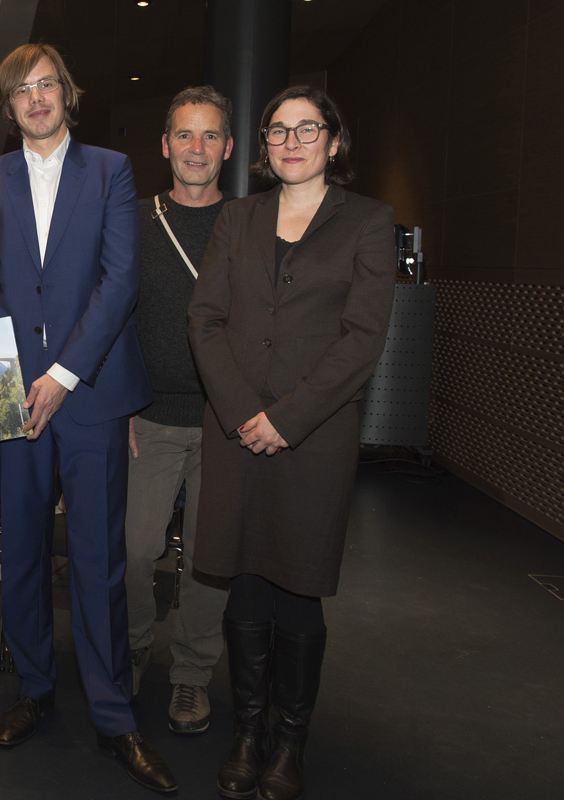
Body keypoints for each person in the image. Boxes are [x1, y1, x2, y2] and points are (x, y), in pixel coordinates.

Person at [0, 43, 174, 793]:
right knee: (18, 551)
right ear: (9, 106)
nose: (36, 99)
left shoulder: (110, 171)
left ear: (66, 95)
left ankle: (115, 714)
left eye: (47, 85)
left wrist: (62, 375)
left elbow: (119, 283)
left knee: (97, 558)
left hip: (91, 394)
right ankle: (33, 689)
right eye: (22, 90)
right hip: (9, 398)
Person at [187, 86, 395, 800]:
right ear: (265, 146)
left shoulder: (368, 221)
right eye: (278, 130)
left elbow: (364, 337)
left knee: (298, 590)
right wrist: (246, 410)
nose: (292, 141)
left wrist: (289, 417)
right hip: (236, 431)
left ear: (335, 142)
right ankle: (247, 733)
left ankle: (289, 742)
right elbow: (205, 319)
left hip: (315, 437)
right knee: (243, 581)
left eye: (308, 129)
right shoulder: (237, 218)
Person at [124, 86, 234, 730]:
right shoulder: (134, 219)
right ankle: (135, 645)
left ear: (226, 146)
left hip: (226, 424)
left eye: (210, 136)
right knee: (136, 551)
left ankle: (192, 674)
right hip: (150, 420)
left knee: (208, 560)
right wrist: (117, 410)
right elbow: (109, 317)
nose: (197, 149)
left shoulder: (250, 224)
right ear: (165, 146)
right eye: (185, 136)